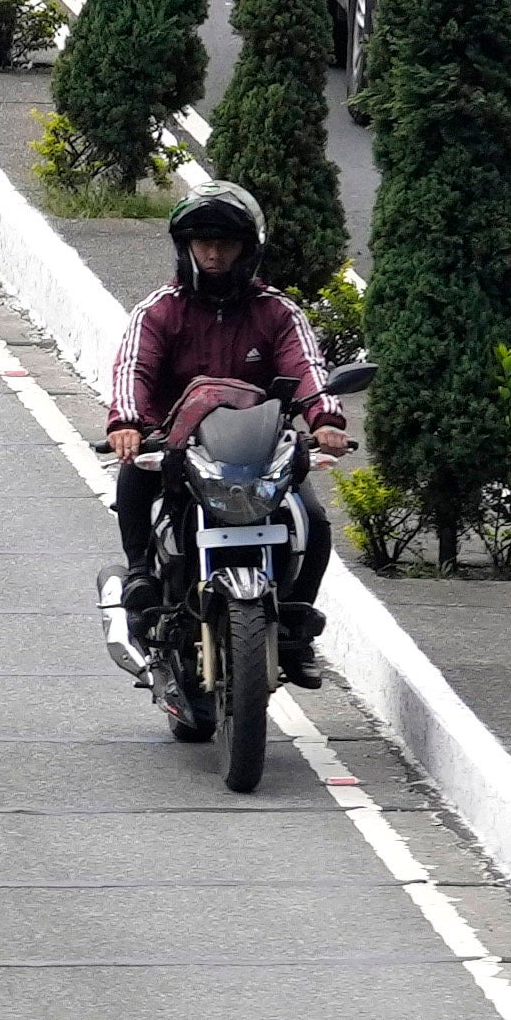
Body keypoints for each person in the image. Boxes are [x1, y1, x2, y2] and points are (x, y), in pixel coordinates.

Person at [105, 180, 338, 683]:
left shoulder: (277, 312)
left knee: (315, 523)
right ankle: (141, 578)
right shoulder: (159, 311)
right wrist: (126, 421)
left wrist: (326, 419)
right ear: (185, 247)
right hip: (177, 446)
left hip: (257, 450)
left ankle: (295, 628)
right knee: (132, 478)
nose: (212, 254)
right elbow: (134, 370)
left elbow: (308, 366)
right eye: (202, 242)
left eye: (225, 243)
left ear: (247, 250)